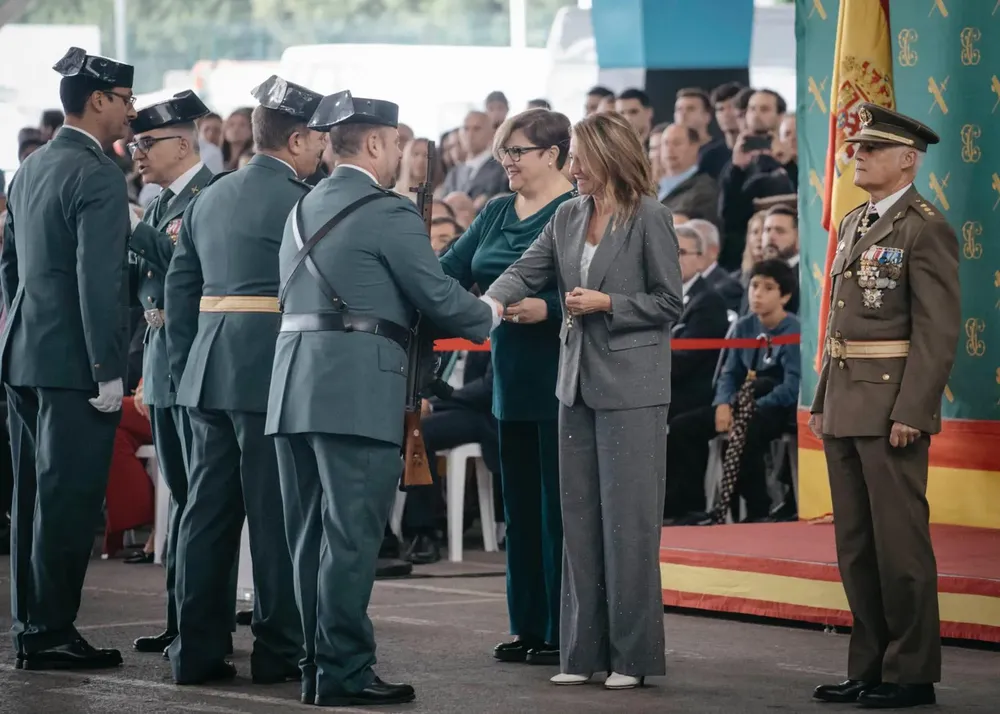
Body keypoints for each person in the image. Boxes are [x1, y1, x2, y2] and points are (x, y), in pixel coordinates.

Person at [266, 89, 500, 707]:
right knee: (350, 541)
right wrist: (494, 311)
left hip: (293, 387)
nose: (399, 152)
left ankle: (320, 667)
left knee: (309, 538)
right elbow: (440, 298)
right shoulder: (388, 212)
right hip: (358, 389)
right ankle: (344, 673)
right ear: (374, 143)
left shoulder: (302, 207)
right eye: (395, 142)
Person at [483, 112, 683, 690]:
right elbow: (524, 271)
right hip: (573, 385)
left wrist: (608, 304)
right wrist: (488, 309)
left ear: (608, 156)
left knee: (629, 525)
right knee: (580, 522)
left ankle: (633, 658)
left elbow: (670, 302)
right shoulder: (568, 215)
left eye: (579, 157)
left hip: (633, 392)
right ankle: (581, 653)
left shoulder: (651, 217)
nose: (571, 166)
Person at [163, 75, 325, 685]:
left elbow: (180, 292)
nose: (321, 152)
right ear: (298, 137)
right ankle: (278, 651)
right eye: (317, 141)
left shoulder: (210, 196)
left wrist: (188, 367)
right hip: (271, 374)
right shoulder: (303, 202)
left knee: (206, 515)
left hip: (209, 372)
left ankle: (196, 651)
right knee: (276, 517)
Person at [810, 103, 960, 710]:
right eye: (857, 148)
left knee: (900, 548)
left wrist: (912, 410)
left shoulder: (924, 227)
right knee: (856, 545)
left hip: (890, 405)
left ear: (908, 159)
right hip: (845, 402)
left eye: (871, 149)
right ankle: (868, 665)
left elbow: (938, 330)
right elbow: (837, 327)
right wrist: (822, 400)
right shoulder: (854, 222)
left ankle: (911, 672)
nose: (857, 156)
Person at [0, 47, 136, 670]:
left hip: (26, 353)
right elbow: (99, 280)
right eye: (126, 100)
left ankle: (34, 625)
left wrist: (23, 328)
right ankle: (51, 631)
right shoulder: (98, 172)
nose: (131, 112)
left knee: (32, 500)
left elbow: (10, 266)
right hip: (75, 364)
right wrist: (108, 369)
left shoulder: (31, 167)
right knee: (69, 500)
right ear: (100, 100)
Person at [441, 108, 575, 667]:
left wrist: (546, 308)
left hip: (564, 379)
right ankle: (526, 626)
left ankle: (562, 629)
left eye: (516, 152)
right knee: (519, 509)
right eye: (502, 152)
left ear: (552, 154)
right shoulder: (495, 210)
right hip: (509, 381)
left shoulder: (576, 210)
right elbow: (448, 271)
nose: (506, 162)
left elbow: (606, 290)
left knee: (558, 511)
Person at [123, 90, 224, 657]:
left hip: (193, 363)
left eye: (147, 142)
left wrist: (129, 225)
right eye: (135, 143)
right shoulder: (163, 204)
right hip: (163, 363)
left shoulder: (210, 196)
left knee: (197, 501)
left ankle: (195, 621)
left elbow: (181, 266)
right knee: (181, 498)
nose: (138, 153)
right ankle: (178, 617)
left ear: (183, 143)